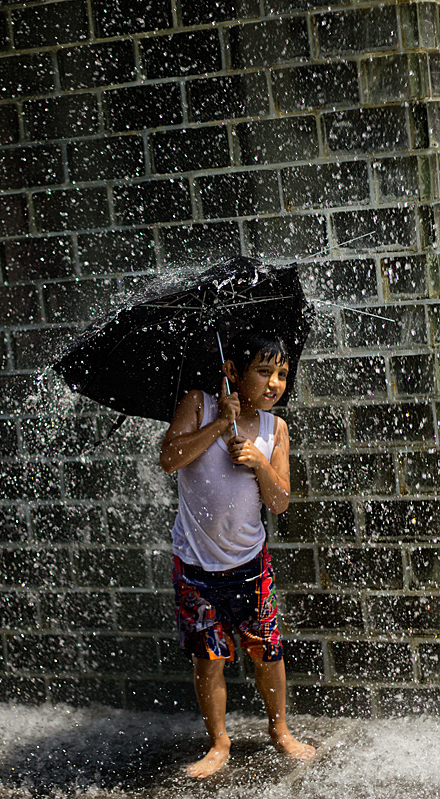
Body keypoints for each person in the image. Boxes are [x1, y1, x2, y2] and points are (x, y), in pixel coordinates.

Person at [159, 332, 316, 779]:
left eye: (281, 374)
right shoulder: (200, 405)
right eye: (263, 372)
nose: (274, 384)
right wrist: (215, 426)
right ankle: (219, 742)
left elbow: (280, 501)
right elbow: (169, 459)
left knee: (268, 650)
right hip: (196, 565)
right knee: (208, 656)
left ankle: (280, 729)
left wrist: (259, 463)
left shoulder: (275, 428)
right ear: (233, 372)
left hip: (251, 564)